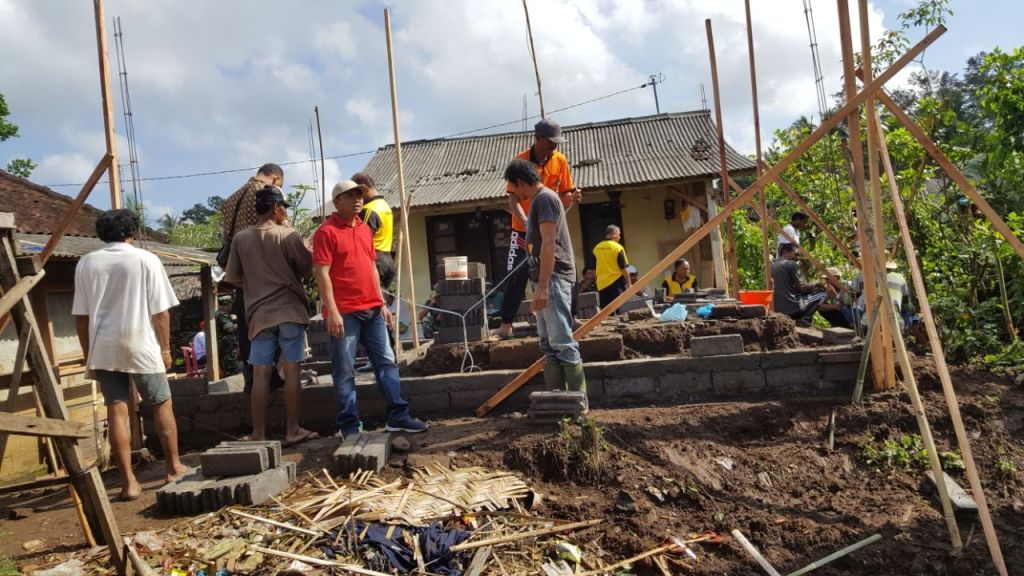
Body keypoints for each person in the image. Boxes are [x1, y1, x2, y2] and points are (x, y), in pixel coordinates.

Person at [72, 209, 188, 500]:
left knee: (117, 411)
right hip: (141, 344)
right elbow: (160, 313)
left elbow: (81, 317)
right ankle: (173, 467)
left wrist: (90, 354)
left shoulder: (86, 263)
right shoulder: (146, 259)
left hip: (104, 347)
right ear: (131, 232)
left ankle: (128, 483)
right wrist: (165, 348)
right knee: (161, 403)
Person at [313, 180, 428, 438]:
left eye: (359, 195)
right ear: (337, 201)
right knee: (344, 369)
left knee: (387, 362)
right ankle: (349, 426)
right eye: (350, 195)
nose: (357, 199)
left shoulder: (365, 229)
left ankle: (398, 416)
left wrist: (382, 303)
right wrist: (331, 311)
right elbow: (322, 273)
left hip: (373, 309)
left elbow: (372, 269)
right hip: (345, 311)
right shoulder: (326, 232)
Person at [224, 186, 317, 446]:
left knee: (260, 376)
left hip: (259, 316)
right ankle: (292, 430)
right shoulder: (288, 234)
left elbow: (232, 278)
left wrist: (255, 287)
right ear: (277, 208)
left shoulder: (241, 239)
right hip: (289, 311)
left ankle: (259, 433)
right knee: (292, 371)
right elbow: (308, 270)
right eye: (283, 208)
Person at [491, 118, 579, 341]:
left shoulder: (560, 161)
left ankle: (572, 316)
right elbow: (513, 200)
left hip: (550, 228)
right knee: (517, 271)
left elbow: (565, 194)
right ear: (538, 138)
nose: (554, 147)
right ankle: (506, 325)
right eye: (550, 142)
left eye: (556, 143)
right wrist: (528, 223)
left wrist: (571, 198)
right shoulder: (520, 162)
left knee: (566, 264)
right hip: (524, 229)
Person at [504, 159, 586, 393]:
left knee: (562, 341)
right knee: (548, 344)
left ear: (521, 182)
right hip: (544, 279)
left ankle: (577, 403)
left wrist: (542, 286)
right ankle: (558, 399)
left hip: (553, 279)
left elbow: (549, 243)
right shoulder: (541, 201)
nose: (515, 194)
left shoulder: (546, 199)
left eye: (514, 188)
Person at [220, 163, 287, 393]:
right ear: (276, 179)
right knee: (275, 332)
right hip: (269, 280)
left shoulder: (231, 200)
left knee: (246, 333)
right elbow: (283, 232)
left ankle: (252, 380)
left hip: (242, 279)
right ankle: (274, 378)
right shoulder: (269, 194)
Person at [351, 172, 396, 301]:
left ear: (363, 189)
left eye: (357, 193)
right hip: (387, 259)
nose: (356, 198)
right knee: (382, 301)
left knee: (373, 302)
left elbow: (362, 239)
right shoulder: (385, 206)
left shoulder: (369, 209)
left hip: (375, 261)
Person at [771, 243, 827, 321]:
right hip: (793, 310)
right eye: (795, 254)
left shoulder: (771, 266)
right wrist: (817, 284)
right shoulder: (791, 264)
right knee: (822, 293)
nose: (797, 258)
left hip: (776, 310)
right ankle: (805, 319)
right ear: (785, 252)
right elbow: (802, 288)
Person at [593, 224, 631, 311]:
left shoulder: (596, 248)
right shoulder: (618, 248)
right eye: (619, 234)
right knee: (620, 310)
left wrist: (597, 281)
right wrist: (629, 284)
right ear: (614, 234)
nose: (619, 237)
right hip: (616, 283)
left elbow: (594, 268)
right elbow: (624, 268)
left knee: (606, 312)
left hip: (601, 284)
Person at [215, 295, 241, 376]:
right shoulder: (222, 314)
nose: (231, 306)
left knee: (225, 367)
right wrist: (240, 323)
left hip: (223, 346)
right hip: (227, 346)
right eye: (230, 304)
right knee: (231, 369)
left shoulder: (217, 313)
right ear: (227, 304)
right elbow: (229, 328)